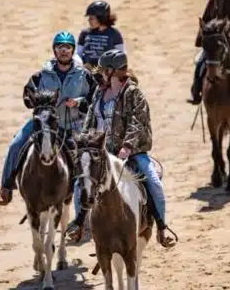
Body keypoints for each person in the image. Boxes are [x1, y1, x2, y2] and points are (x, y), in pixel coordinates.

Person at [66, 49, 177, 248]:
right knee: (79, 183)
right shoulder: (100, 92)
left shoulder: (133, 93)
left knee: (153, 182)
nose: (100, 74)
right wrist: (83, 142)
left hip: (131, 153)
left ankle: (161, 227)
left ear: (113, 71)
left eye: (103, 70)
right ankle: (79, 224)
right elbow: (90, 120)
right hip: (101, 153)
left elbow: (138, 121)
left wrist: (126, 146)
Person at [0, 31, 97, 206]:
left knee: (87, 158)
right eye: (59, 47)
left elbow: (95, 99)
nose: (63, 51)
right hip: (44, 123)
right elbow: (28, 96)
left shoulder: (84, 75)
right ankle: (5, 187)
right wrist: (38, 101)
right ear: (54, 50)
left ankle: (88, 199)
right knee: (15, 144)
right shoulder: (41, 75)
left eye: (67, 47)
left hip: (72, 124)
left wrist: (79, 103)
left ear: (73, 50)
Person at [76, 0, 125, 68]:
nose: (89, 20)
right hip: (87, 72)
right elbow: (78, 55)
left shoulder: (114, 34)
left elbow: (120, 56)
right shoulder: (85, 33)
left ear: (101, 18)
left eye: (92, 18)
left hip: (106, 73)